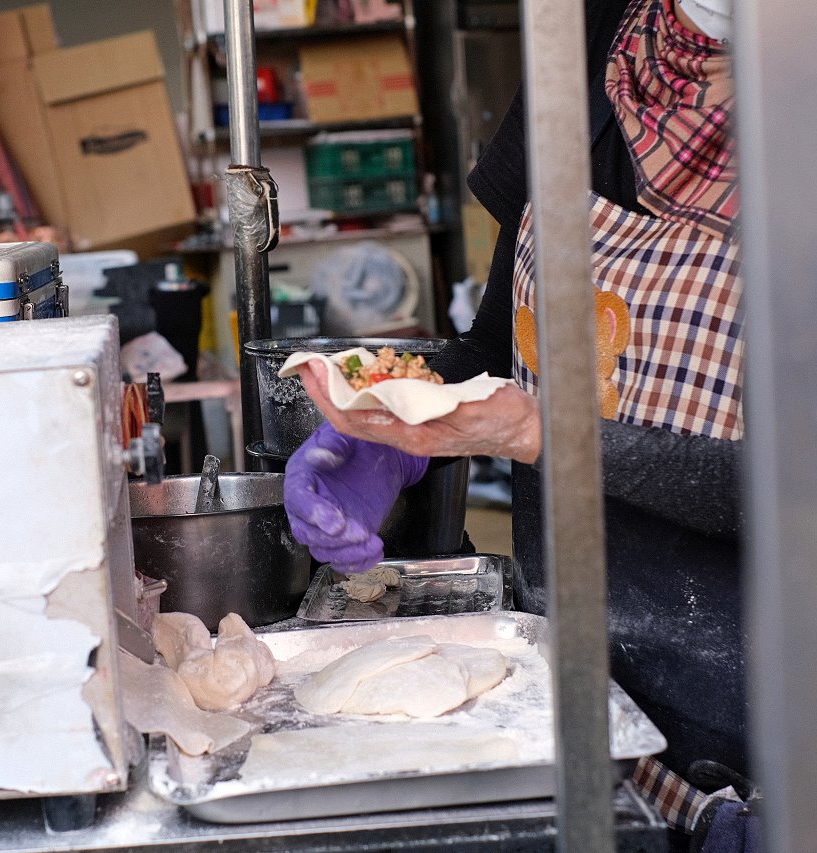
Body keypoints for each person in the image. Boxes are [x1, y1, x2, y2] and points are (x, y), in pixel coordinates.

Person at [284, 0, 747, 845]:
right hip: (567, 715)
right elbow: (497, 346)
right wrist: (390, 429)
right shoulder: (588, 43)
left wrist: (547, 436)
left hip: (766, 759)